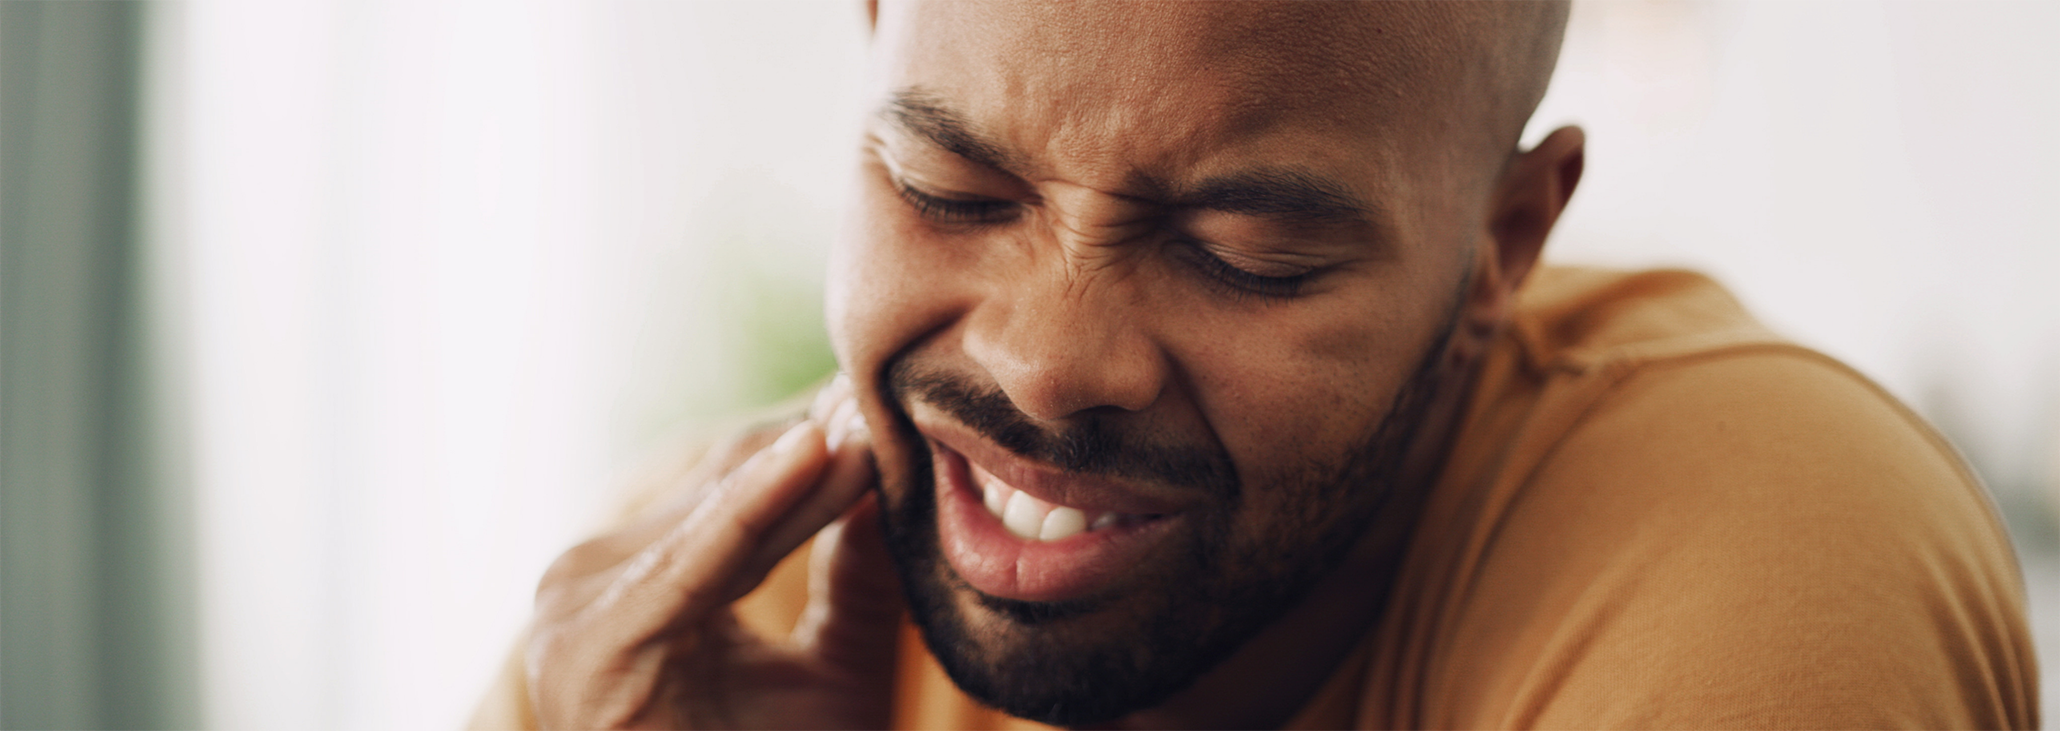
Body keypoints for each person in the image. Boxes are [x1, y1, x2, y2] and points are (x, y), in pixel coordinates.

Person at [471, 0, 2038, 728]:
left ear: (1502, 242)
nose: (1045, 359)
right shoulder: (683, 646)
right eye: (949, 188)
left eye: (1245, 254)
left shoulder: (1766, 545)